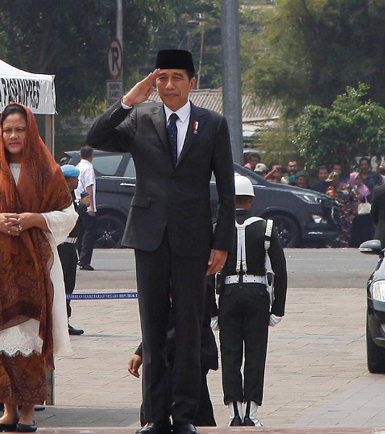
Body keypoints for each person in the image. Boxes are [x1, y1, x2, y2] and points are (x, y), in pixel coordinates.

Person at [86, 49, 235, 434]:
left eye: (177, 78)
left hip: (193, 238)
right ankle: (154, 416)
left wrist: (222, 243)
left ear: (192, 83)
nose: (168, 85)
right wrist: (128, 100)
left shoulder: (213, 123)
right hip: (149, 234)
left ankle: (184, 416)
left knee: (187, 327)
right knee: (152, 328)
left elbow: (227, 190)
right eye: (162, 77)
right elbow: (96, 136)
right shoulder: (140, 118)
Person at [0, 103, 77, 433]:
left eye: (20, 130)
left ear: (31, 132)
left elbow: (69, 216)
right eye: (7, 130)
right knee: (2, 341)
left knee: (32, 342)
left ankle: (28, 413)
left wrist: (36, 219)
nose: (13, 136)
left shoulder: (48, 172)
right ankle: (8, 411)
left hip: (37, 270)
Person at [211, 175, 287, 427]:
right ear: (251, 199)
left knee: (230, 353)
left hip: (229, 295)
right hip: (257, 296)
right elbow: (280, 270)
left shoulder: (218, 228)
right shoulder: (266, 228)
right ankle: (252, 414)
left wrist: (211, 311)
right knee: (255, 354)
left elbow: (207, 271)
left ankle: (234, 411)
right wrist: (278, 309)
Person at [128, 278, 219, 428]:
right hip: (170, 352)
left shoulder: (196, 265)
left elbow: (187, 314)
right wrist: (143, 350)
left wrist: (144, 350)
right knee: (156, 414)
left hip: (188, 352)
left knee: (195, 416)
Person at [59, 165, 86, 336]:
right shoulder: (60, 197)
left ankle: (65, 321)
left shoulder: (70, 195)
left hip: (70, 247)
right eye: (75, 178)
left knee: (69, 285)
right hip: (62, 246)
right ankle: (60, 322)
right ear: (68, 179)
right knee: (62, 285)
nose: (77, 182)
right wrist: (81, 207)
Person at [75, 146, 97, 271]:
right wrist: (92, 206)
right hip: (86, 204)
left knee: (80, 232)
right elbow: (89, 187)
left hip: (78, 202)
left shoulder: (78, 167)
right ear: (91, 155)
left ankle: (80, 257)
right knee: (89, 233)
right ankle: (84, 260)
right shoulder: (88, 168)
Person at [326, 172, 356, 247]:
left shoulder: (347, 188)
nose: (330, 183)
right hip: (333, 218)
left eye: (332, 181)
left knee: (345, 239)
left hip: (345, 217)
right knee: (333, 240)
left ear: (336, 180)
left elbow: (355, 201)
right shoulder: (329, 189)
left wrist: (353, 214)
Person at [349, 172, 374, 247]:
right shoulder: (349, 188)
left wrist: (359, 193)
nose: (359, 180)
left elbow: (367, 198)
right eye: (357, 178)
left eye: (360, 178)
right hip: (353, 214)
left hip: (363, 213)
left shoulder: (364, 187)